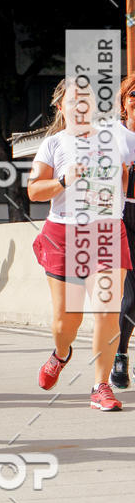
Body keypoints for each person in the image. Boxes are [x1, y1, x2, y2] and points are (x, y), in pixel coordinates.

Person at [28, 78, 131, 411]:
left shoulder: (117, 137)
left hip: (107, 232)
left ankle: (101, 386)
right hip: (64, 235)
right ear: (61, 107)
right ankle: (61, 354)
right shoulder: (53, 144)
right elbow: (34, 190)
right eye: (75, 100)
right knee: (65, 321)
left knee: (107, 310)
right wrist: (63, 180)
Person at [110, 73, 135, 388]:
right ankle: (120, 353)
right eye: (133, 95)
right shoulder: (112, 134)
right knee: (132, 294)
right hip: (124, 213)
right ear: (123, 102)